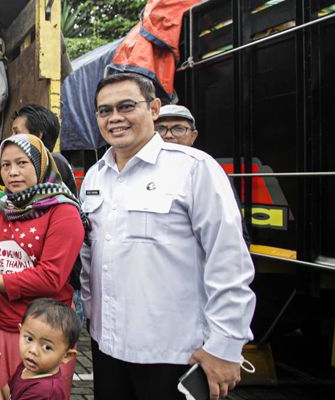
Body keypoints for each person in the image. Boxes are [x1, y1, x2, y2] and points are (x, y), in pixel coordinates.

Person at [79, 73, 256, 400]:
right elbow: (90, 257)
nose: (115, 118)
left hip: (175, 353)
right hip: (107, 347)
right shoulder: (95, 176)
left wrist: (226, 346)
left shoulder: (194, 168)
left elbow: (228, 260)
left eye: (126, 106)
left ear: (155, 108)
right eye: (104, 111)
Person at [0, 133, 88, 400]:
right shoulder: (0, 208)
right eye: (5, 165)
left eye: (22, 163)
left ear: (41, 164)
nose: (13, 172)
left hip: (40, 337)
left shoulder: (63, 212)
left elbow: (51, 277)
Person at [155, 104, 252, 247]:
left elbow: (234, 238)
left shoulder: (208, 171)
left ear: (193, 136)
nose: (168, 135)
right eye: (160, 129)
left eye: (178, 129)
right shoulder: (137, 170)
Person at [0, 298, 80, 400]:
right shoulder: (28, 367)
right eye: (29, 339)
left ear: (67, 356)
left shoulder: (44, 391)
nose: (33, 350)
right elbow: (6, 395)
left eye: (47, 347)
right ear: (20, 330)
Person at [0, 104, 77, 213]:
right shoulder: (40, 164)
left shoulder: (55, 163)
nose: (11, 137)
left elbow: (28, 206)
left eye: (16, 132)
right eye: (6, 165)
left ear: (37, 136)